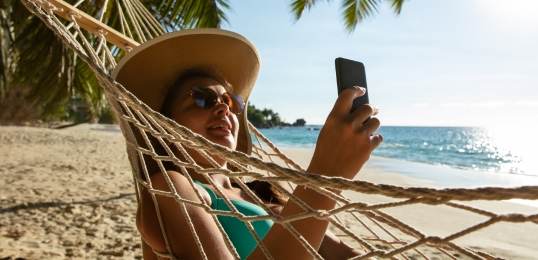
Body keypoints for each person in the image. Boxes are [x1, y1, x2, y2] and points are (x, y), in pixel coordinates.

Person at [112, 29, 382, 260]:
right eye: (201, 99)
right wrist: (325, 173)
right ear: (165, 126)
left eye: (230, 102)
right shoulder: (170, 188)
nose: (223, 108)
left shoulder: (263, 195)